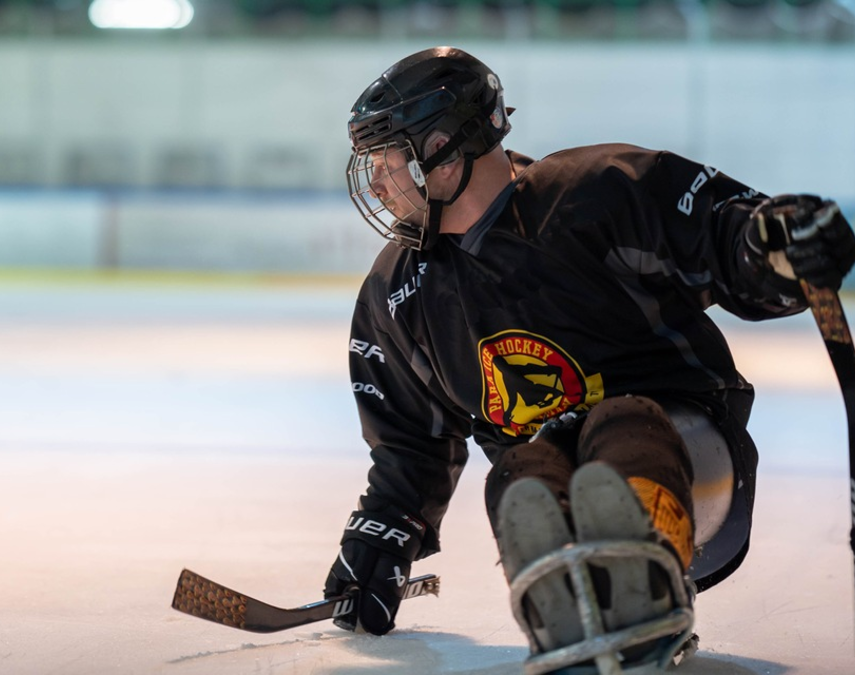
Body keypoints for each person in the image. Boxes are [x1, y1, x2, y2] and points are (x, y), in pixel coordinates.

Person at [322, 47, 855, 672]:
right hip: (554, 473)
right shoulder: (397, 293)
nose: (379, 184)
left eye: (388, 161)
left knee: (620, 424)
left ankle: (648, 585)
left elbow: (726, 241)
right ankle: (566, 621)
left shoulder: (598, 192)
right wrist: (383, 534)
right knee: (520, 472)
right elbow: (412, 442)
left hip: (691, 463)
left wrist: (774, 245)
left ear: (442, 151)